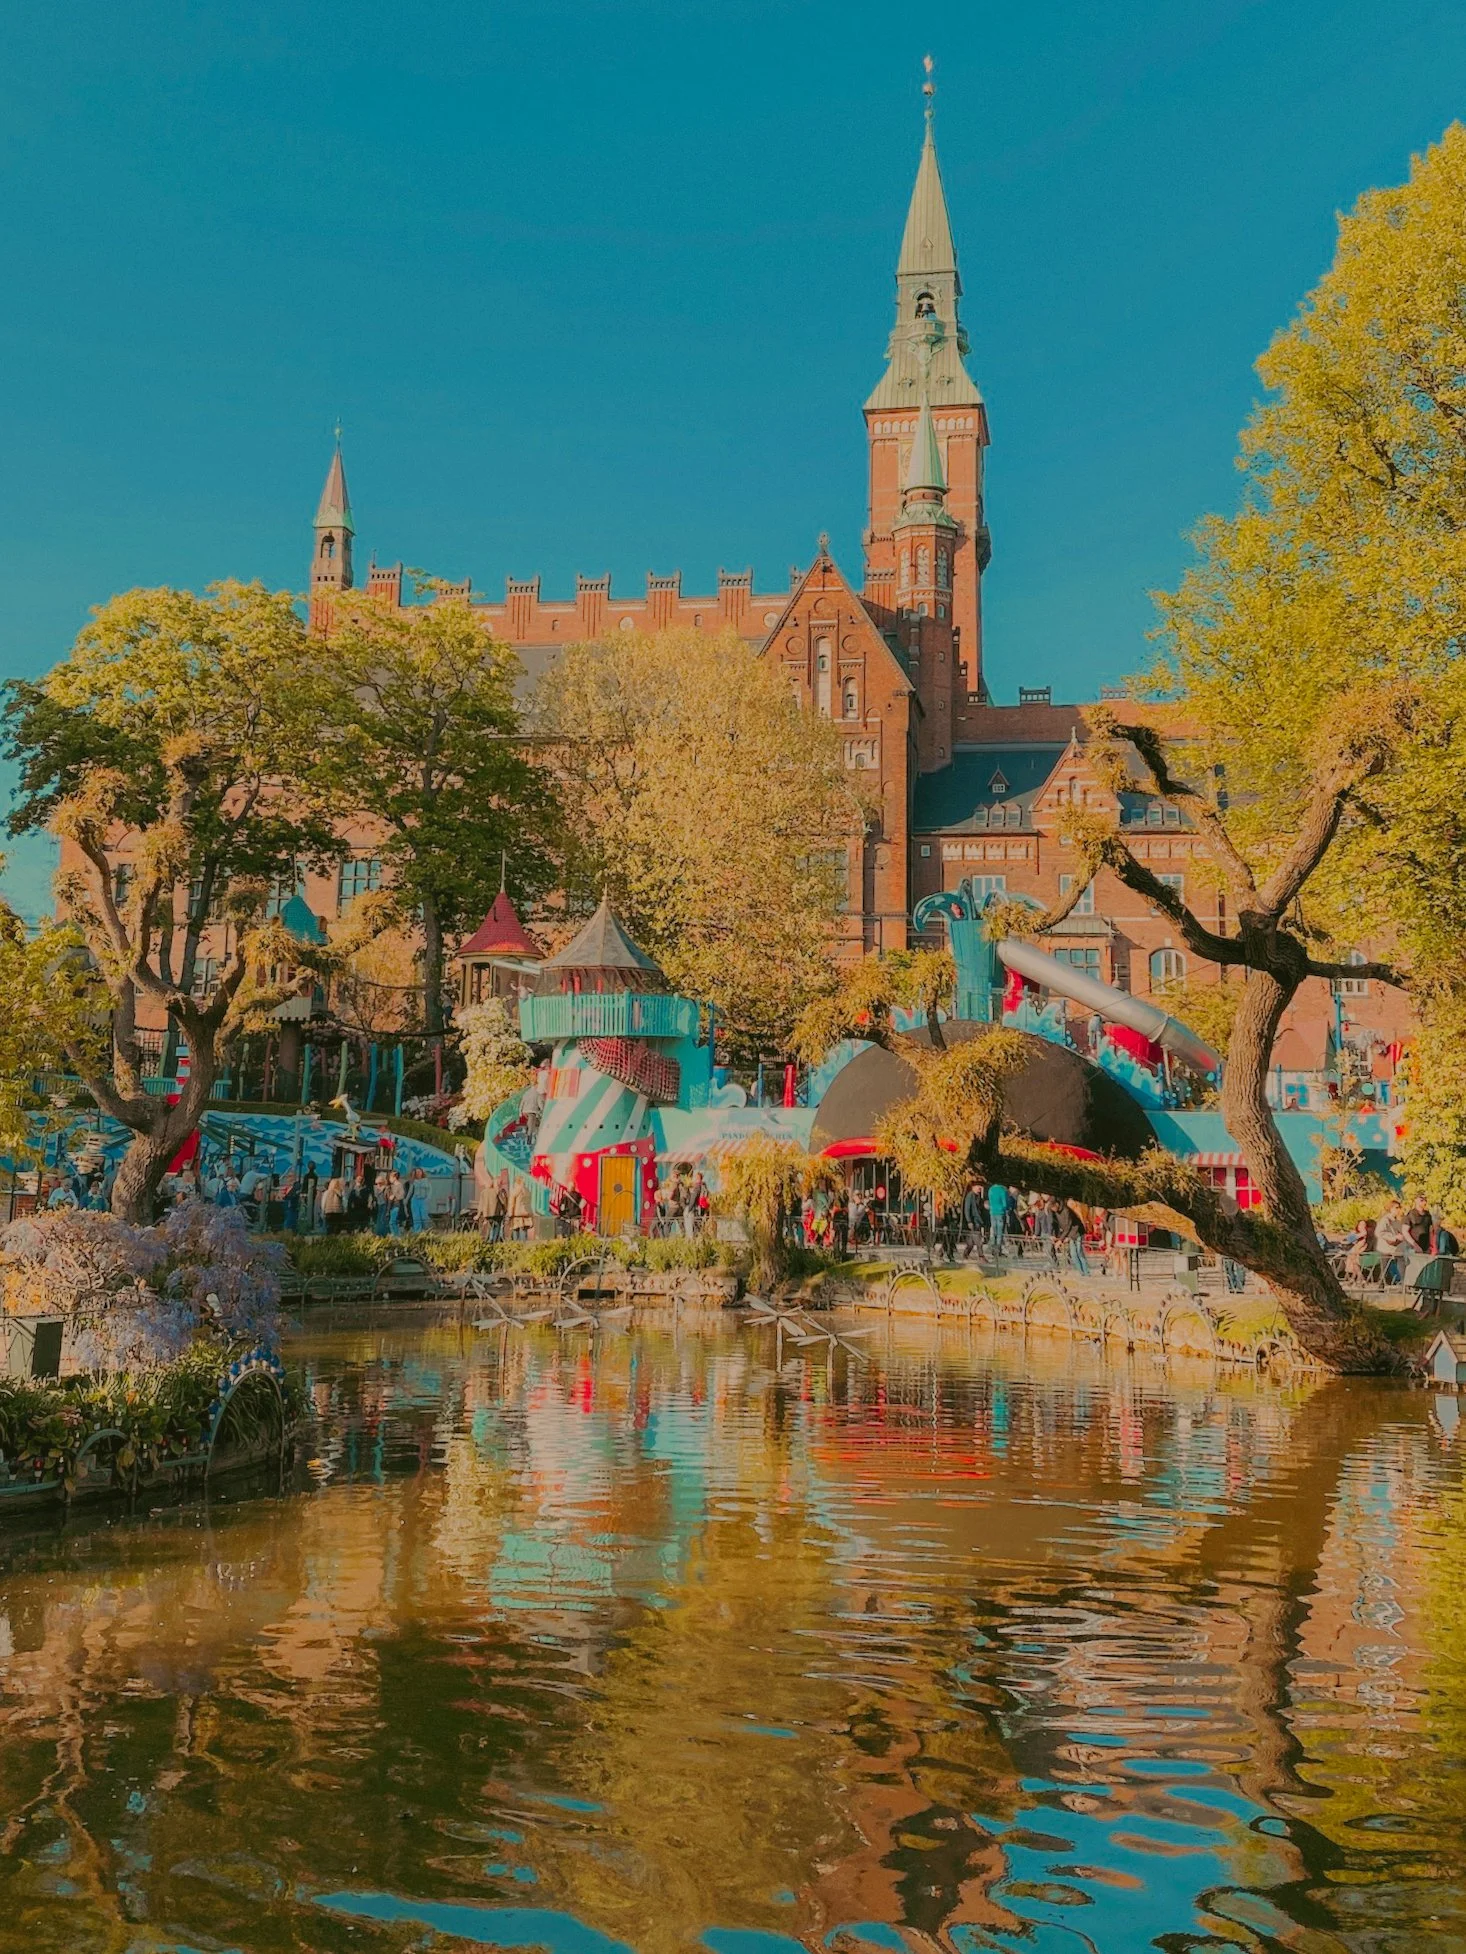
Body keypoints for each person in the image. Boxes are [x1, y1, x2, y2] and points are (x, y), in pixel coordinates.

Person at [1375, 1200, 1409, 1284]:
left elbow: (1401, 1232)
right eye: (1396, 1208)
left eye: (1399, 1207)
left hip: (1396, 1248)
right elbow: (1378, 1232)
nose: (1398, 1210)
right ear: (1390, 1208)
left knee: (1401, 1263)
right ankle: (1381, 1285)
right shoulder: (1385, 1220)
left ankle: (1404, 1284)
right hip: (1385, 1248)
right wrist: (1393, 1237)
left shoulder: (1397, 1221)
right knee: (1384, 1269)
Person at [1056, 1199, 1090, 1275]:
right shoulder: (1064, 1212)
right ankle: (1081, 1272)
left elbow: (1073, 1225)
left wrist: (1064, 1238)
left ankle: (1086, 1271)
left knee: (1079, 1252)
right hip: (1071, 1235)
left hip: (1078, 1233)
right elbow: (1065, 1226)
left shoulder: (1073, 1212)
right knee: (1073, 1254)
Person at [986, 1180, 1011, 1258]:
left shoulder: (990, 1189)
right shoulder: (1002, 1190)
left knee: (994, 1232)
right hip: (1000, 1213)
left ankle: (993, 1250)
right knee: (1000, 1233)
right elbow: (1005, 1204)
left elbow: (990, 1201)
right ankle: (998, 1251)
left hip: (992, 1212)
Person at [507, 1176, 533, 1242]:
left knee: (515, 1231)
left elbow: (511, 1203)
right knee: (524, 1232)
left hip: (516, 1214)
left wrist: (510, 1214)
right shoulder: (527, 1190)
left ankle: (516, 1247)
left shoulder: (515, 1190)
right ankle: (523, 1248)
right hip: (526, 1213)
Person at [408, 1166, 430, 1234]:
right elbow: (410, 1191)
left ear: (422, 1172)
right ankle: (417, 1232)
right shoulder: (414, 1181)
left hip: (423, 1200)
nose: (418, 1173)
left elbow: (429, 1191)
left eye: (419, 1172)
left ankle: (426, 1230)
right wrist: (406, 1200)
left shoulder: (426, 1180)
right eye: (416, 1172)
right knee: (416, 1217)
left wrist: (427, 1199)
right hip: (415, 1200)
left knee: (424, 1217)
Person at [832, 1190, 850, 1260]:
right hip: (838, 1219)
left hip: (844, 1219)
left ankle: (843, 1253)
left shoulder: (846, 1198)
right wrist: (842, 1209)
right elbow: (835, 1209)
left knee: (844, 1237)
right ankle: (837, 1254)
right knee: (837, 1237)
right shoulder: (837, 1199)